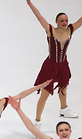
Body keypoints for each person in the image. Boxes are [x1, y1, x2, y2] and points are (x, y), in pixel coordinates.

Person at [27, 0, 82, 128]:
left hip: (63, 65)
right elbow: (39, 17)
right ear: (56, 22)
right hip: (50, 66)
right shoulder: (50, 30)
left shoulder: (70, 30)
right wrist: (30, 4)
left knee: (63, 87)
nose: (64, 23)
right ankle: (37, 121)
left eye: (66, 20)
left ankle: (64, 109)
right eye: (62, 20)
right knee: (45, 94)